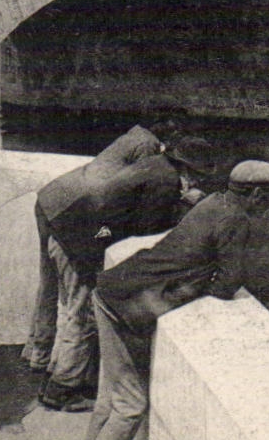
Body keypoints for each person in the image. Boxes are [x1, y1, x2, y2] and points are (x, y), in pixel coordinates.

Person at [63, 159, 269, 440]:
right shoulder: (235, 221)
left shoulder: (212, 203)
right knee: (130, 404)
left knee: (111, 399)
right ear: (257, 195)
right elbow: (228, 285)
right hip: (128, 309)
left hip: (112, 291)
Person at [24, 124, 212, 411]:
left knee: (75, 310)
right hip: (76, 245)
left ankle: (58, 371)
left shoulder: (156, 165)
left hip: (66, 231)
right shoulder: (166, 183)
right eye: (199, 176)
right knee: (84, 316)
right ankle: (59, 390)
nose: (198, 182)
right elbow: (145, 234)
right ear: (190, 171)